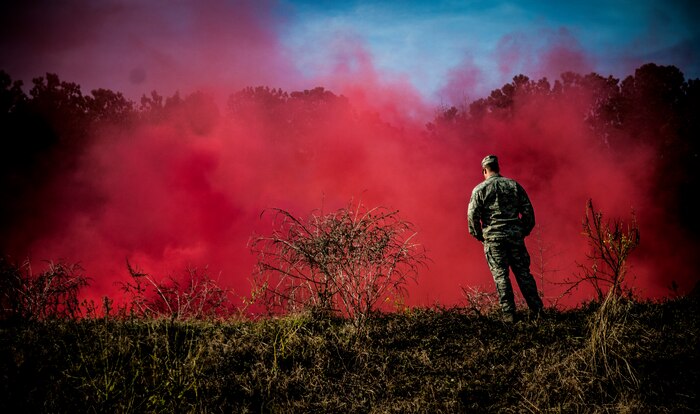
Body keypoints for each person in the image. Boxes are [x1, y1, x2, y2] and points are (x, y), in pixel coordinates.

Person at [467, 155, 544, 322]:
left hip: (494, 240)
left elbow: (472, 216)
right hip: (515, 238)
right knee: (523, 273)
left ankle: (509, 315)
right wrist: (521, 231)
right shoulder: (513, 186)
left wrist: (480, 235)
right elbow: (529, 213)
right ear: (497, 167)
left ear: (485, 170)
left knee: (501, 276)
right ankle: (537, 311)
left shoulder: (479, 190)